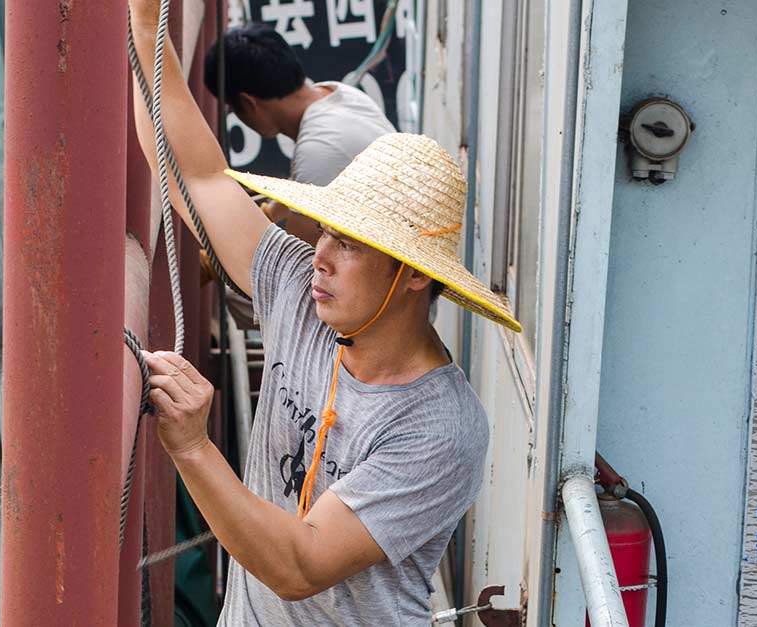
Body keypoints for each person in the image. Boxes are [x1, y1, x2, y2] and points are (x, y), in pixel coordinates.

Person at [128, 1, 521, 624]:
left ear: (414, 274)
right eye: (326, 230)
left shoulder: (441, 428)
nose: (320, 255)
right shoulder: (299, 293)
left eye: (349, 243)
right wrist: (147, 29)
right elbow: (200, 177)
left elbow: (301, 566)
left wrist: (194, 447)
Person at [203, 22, 395, 246]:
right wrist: (269, 214)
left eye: (233, 108)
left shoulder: (317, 150)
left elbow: (296, 266)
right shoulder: (341, 94)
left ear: (248, 102)